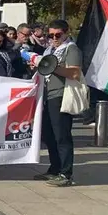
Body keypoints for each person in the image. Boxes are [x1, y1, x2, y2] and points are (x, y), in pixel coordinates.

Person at [32, 19, 83, 187]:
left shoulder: (71, 49)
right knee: (48, 134)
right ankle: (55, 168)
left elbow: (75, 72)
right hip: (47, 95)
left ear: (66, 33)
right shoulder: (49, 49)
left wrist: (52, 67)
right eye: (51, 35)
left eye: (58, 35)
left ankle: (66, 173)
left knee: (62, 135)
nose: (54, 38)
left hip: (60, 95)